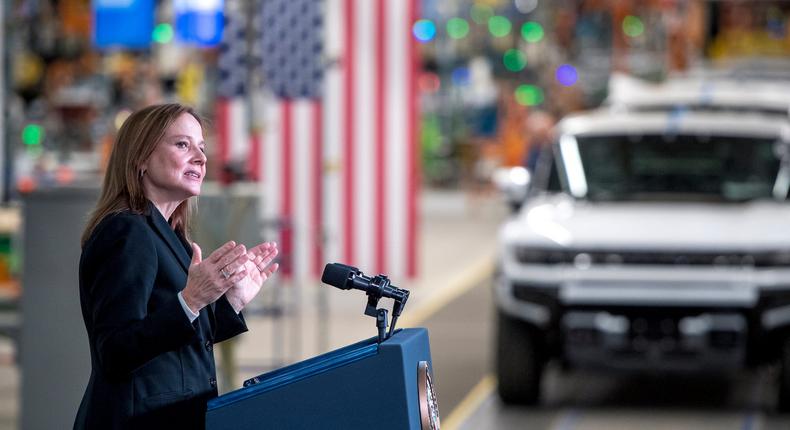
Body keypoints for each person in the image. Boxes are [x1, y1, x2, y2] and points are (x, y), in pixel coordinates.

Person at [74, 103, 279, 428]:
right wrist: (192, 300)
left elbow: (180, 338)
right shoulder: (127, 231)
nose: (201, 157)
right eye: (182, 144)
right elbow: (114, 352)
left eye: (201, 147)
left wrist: (231, 302)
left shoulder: (171, 236)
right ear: (140, 158)